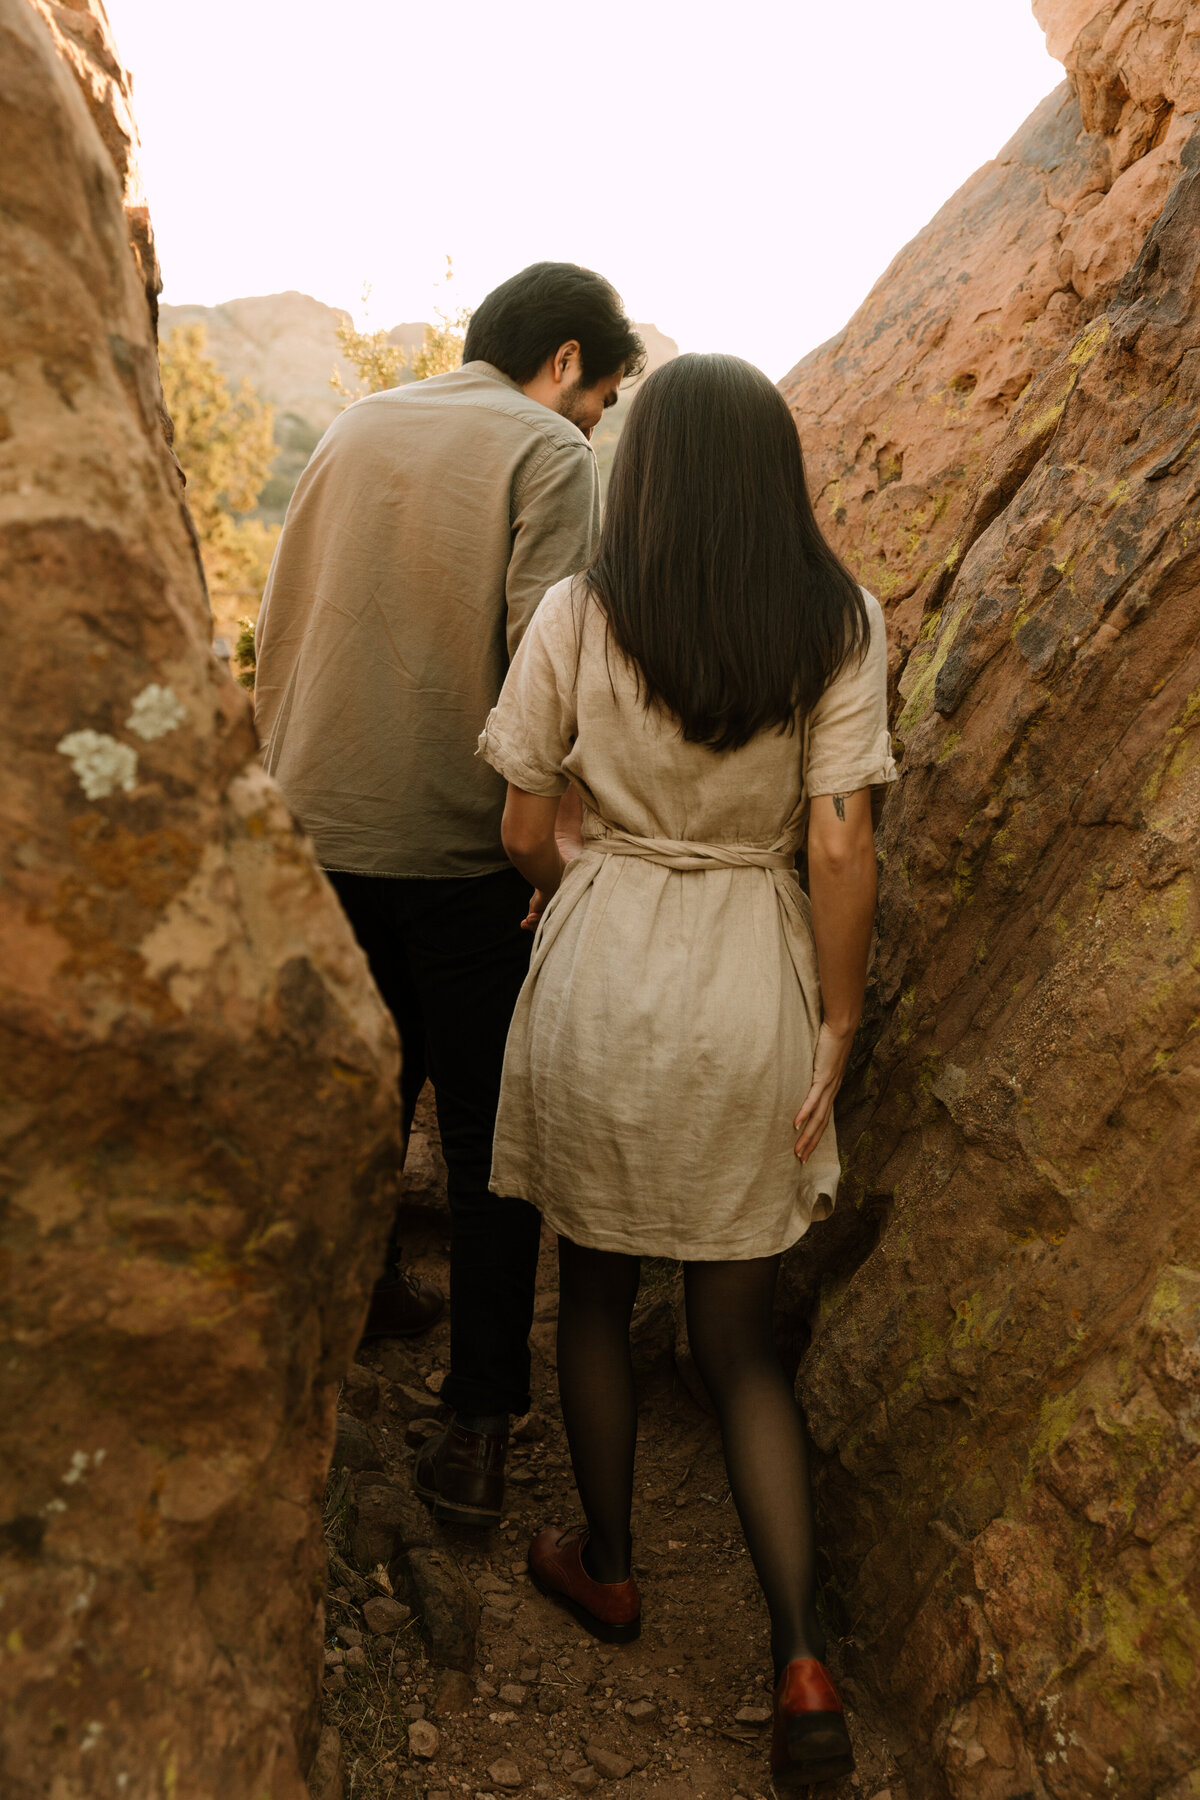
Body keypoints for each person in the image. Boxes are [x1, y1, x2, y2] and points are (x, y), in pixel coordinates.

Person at [476, 353, 895, 1790]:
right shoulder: (838, 619)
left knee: (589, 1288)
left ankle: (608, 1565)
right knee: (739, 1341)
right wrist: (837, 1024)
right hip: (750, 975)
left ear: (638, 471)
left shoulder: (579, 612)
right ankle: (799, 1654)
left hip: (609, 963)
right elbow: (840, 841)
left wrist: (587, 867)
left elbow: (526, 824)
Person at [254, 262, 645, 1526]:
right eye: (599, 400)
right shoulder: (549, 451)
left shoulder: (362, 424)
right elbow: (553, 661)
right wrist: (562, 840)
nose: (592, 424)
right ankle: (477, 1426)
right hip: (464, 846)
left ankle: (346, 1312)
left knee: (360, 1093)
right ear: (570, 360)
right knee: (484, 1147)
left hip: (315, 819)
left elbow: (277, 618)